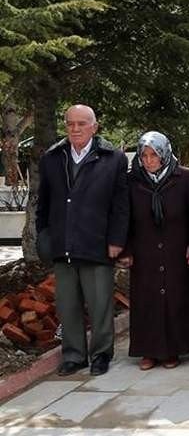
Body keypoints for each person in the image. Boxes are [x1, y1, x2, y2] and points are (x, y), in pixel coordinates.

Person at [36, 105, 129, 377]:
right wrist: (44, 235)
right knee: (67, 305)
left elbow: (120, 206)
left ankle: (101, 354)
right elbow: (44, 204)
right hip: (63, 244)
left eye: (81, 124)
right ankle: (74, 355)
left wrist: (116, 240)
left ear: (94, 127)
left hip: (97, 243)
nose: (75, 129)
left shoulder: (113, 159)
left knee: (100, 304)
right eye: (70, 124)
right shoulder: (52, 158)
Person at [122, 132, 189, 370]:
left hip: (176, 246)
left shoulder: (185, 177)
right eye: (144, 155)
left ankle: (172, 350)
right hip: (144, 249)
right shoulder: (132, 181)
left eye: (154, 155)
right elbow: (124, 217)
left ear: (165, 154)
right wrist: (126, 250)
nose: (149, 161)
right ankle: (148, 350)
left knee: (175, 297)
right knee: (146, 299)